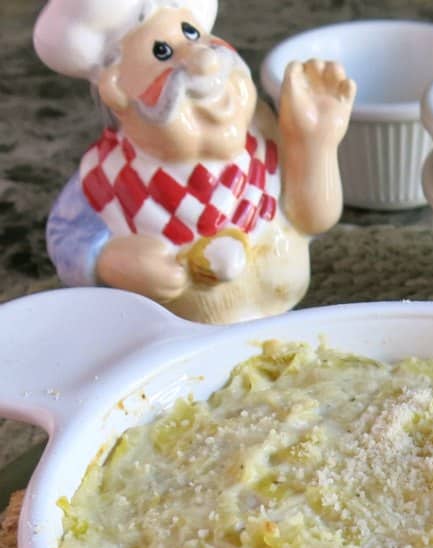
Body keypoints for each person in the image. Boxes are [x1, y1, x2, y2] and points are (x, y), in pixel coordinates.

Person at [34, 0, 356, 323]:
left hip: (286, 320)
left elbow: (313, 218)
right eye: (162, 52)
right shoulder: (107, 180)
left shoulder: (266, 137)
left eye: (192, 32)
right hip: (173, 350)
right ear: (117, 89)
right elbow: (65, 237)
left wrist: (315, 143)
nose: (204, 60)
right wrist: (109, 261)